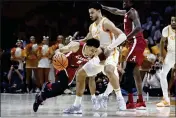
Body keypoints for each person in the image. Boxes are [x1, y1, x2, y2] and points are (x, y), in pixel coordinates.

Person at [63, 2, 127, 114]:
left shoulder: (105, 22)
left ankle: (120, 99)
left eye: (92, 12)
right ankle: (77, 106)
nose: (90, 15)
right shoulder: (92, 26)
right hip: (97, 56)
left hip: (110, 54)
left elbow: (123, 35)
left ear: (98, 10)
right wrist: (72, 43)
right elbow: (86, 40)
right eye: (89, 13)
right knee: (80, 74)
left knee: (109, 70)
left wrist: (110, 47)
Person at [33, 38, 100, 112]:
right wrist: (57, 54)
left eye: (94, 51)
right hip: (64, 64)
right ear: (87, 46)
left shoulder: (94, 53)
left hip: (73, 69)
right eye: (92, 50)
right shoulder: (76, 46)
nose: (93, 53)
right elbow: (60, 50)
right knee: (63, 85)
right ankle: (46, 86)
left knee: (60, 90)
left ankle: (41, 97)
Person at [102, 0, 146, 109]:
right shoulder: (127, 12)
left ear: (131, 3)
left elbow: (138, 27)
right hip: (134, 42)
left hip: (137, 42)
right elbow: (116, 11)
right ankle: (140, 101)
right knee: (135, 73)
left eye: (126, 1)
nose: (124, 2)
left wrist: (126, 37)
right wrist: (103, 7)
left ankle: (130, 101)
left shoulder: (132, 12)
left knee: (128, 71)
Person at [156, 15, 176, 107]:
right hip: (171, 54)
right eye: (172, 20)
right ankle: (165, 99)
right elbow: (162, 42)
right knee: (163, 74)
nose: (173, 22)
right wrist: (161, 55)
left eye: (175, 21)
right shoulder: (166, 29)